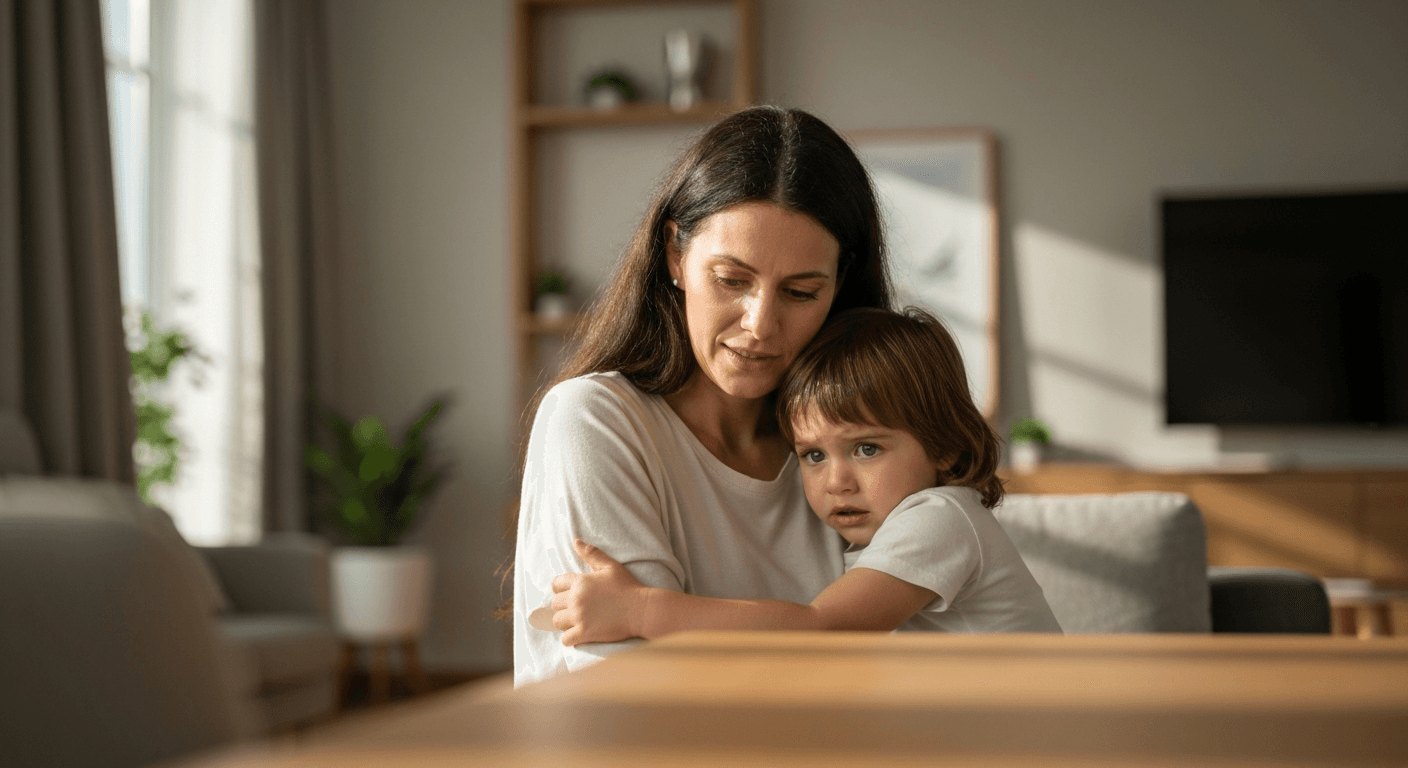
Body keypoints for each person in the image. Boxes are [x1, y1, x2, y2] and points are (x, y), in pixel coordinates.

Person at [512, 106, 893, 686]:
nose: (760, 325)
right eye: (731, 280)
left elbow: (902, 658)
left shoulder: (854, 449)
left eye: (799, 292)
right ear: (675, 255)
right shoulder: (593, 420)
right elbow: (637, 688)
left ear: (839, 287)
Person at [546, 308, 1062, 644]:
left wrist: (643, 612)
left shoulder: (940, 519)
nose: (837, 480)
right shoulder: (896, 533)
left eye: (865, 448)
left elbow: (820, 630)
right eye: (813, 456)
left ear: (944, 447)